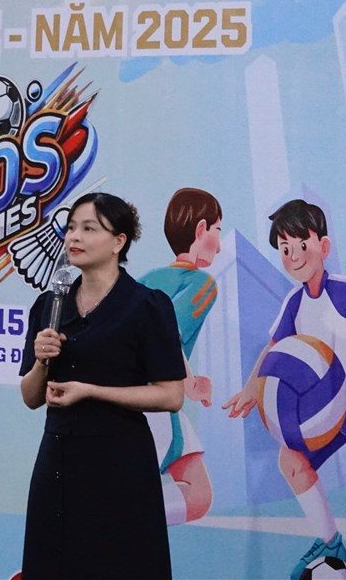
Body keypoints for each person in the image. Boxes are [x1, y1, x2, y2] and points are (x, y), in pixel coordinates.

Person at [222, 199, 346, 579]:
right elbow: (274, 348)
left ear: (324, 246)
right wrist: (251, 389)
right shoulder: (294, 303)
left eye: (302, 244)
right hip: (323, 413)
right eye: (285, 249)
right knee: (291, 461)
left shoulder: (342, 291)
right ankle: (331, 542)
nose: (294, 256)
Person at [19, 192, 186, 580]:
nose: (74, 237)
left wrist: (92, 391)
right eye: (71, 227)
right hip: (58, 460)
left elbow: (172, 394)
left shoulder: (146, 306)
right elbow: (30, 397)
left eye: (89, 228)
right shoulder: (50, 304)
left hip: (120, 463)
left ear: (118, 242)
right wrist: (42, 361)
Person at [139, 188, 222, 525]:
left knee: (197, 492)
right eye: (217, 230)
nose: (219, 243)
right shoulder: (202, 283)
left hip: (139, 393)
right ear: (201, 230)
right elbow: (167, 334)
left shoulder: (148, 278)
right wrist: (193, 386)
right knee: (193, 495)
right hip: (156, 398)